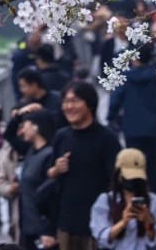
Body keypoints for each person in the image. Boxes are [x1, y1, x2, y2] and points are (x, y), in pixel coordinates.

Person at [46, 80, 120, 250]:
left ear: (90, 105)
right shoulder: (61, 136)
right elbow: (49, 173)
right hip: (66, 224)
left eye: (74, 101)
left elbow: (117, 180)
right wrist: (56, 170)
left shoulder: (107, 138)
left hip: (98, 224)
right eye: (65, 101)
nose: (68, 106)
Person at [88, 147, 156, 249]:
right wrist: (123, 222)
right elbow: (101, 238)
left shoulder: (154, 202)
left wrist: (148, 223)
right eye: (128, 177)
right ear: (118, 175)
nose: (132, 181)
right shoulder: (105, 201)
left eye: (136, 178)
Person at [107, 45, 156, 192]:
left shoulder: (126, 77)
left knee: (133, 162)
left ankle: (137, 192)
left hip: (132, 125)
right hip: (153, 124)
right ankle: (154, 193)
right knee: (152, 163)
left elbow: (115, 100)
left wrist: (111, 117)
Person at [14, 110, 56, 250]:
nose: (22, 130)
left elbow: (50, 194)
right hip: (28, 226)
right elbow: (9, 135)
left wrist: (47, 230)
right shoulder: (31, 152)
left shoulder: (49, 154)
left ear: (36, 127)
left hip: (43, 231)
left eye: (25, 125)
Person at [7, 70, 63, 152]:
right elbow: (10, 134)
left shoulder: (58, 100)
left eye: (23, 86)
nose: (22, 90)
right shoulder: (22, 107)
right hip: (34, 152)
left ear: (34, 84)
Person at [13, 28, 47, 97]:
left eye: (38, 44)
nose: (37, 46)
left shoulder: (38, 51)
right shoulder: (21, 50)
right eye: (35, 44)